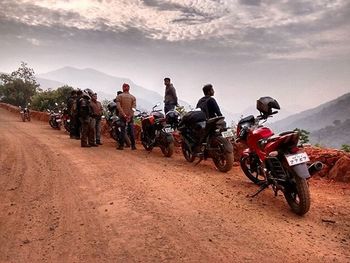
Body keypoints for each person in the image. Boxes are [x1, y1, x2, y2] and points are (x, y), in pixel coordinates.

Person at [116, 83, 136, 150]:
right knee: (131, 131)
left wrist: (124, 115)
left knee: (122, 131)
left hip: (122, 116)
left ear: (123, 88)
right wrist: (130, 116)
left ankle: (121, 146)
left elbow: (119, 107)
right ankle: (133, 146)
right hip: (130, 117)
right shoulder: (133, 97)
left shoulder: (119, 96)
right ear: (129, 88)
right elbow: (134, 108)